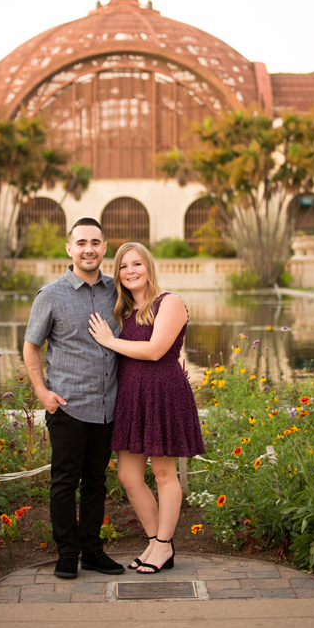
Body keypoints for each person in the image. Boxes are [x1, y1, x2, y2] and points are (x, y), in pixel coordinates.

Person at [88, 242, 205, 574]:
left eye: (136, 264)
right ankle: (156, 542)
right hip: (131, 396)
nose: (130, 271)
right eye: (123, 266)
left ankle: (164, 545)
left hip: (163, 393)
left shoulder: (169, 302)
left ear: (148, 266)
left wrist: (110, 341)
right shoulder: (122, 311)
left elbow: (155, 350)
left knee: (164, 473)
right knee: (128, 476)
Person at [23, 219, 125, 579]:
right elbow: (31, 346)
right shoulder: (51, 295)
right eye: (81, 243)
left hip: (107, 407)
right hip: (68, 406)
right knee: (64, 482)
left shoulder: (117, 291)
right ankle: (67, 552)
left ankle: (93, 551)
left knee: (96, 482)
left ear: (104, 247)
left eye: (95, 242)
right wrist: (42, 392)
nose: (88, 249)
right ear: (69, 249)